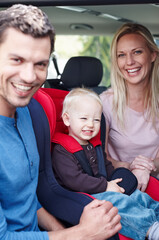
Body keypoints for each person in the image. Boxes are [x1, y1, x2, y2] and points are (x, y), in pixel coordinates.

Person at [0, 4, 122, 240]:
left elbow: (26, 200)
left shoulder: (26, 112)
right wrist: (82, 233)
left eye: (40, 64)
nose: (29, 76)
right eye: (16, 59)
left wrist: (64, 231)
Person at [52, 87, 159, 240]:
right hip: (81, 194)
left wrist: (118, 181)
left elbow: (105, 167)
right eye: (84, 119)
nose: (90, 124)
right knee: (119, 202)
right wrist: (106, 186)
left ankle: (157, 213)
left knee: (136, 195)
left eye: (96, 120)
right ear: (67, 119)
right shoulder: (62, 150)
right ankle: (149, 229)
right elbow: (74, 180)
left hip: (102, 187)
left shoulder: (94, 145)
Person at [100, 23, 159, 192]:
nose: (130, 62)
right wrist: (130, 166)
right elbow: (100, 157)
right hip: (122, 188)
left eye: (137, 52)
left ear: (153, 55)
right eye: (121, 55)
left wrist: (147, 167)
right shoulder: (105, 103)